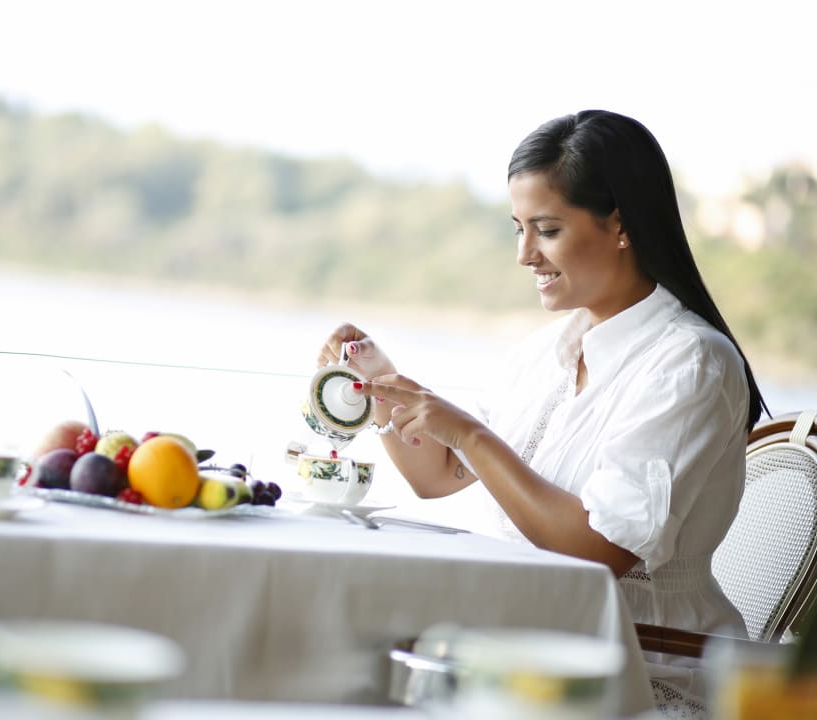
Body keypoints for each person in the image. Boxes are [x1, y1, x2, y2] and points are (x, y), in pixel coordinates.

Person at [317, 110, 768, 718]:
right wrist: (379, 387)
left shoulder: (689, 364)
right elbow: (437, 476)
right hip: (527, 648)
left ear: (620, 225)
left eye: (547, 230)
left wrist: (470, 434)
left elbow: (596, 553)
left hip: (634, 671)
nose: (525, 255)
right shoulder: (551, 350)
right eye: (518, 229)